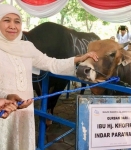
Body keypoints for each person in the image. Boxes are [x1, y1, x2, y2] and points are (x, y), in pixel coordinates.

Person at [0, 4, 98, 150]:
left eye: (17, 21)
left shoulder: (27, 47)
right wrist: (3, 98)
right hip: (3, 109)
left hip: (25, 110)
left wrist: (78, 59)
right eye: (6, 20)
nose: (12, 26)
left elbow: (51, 63)